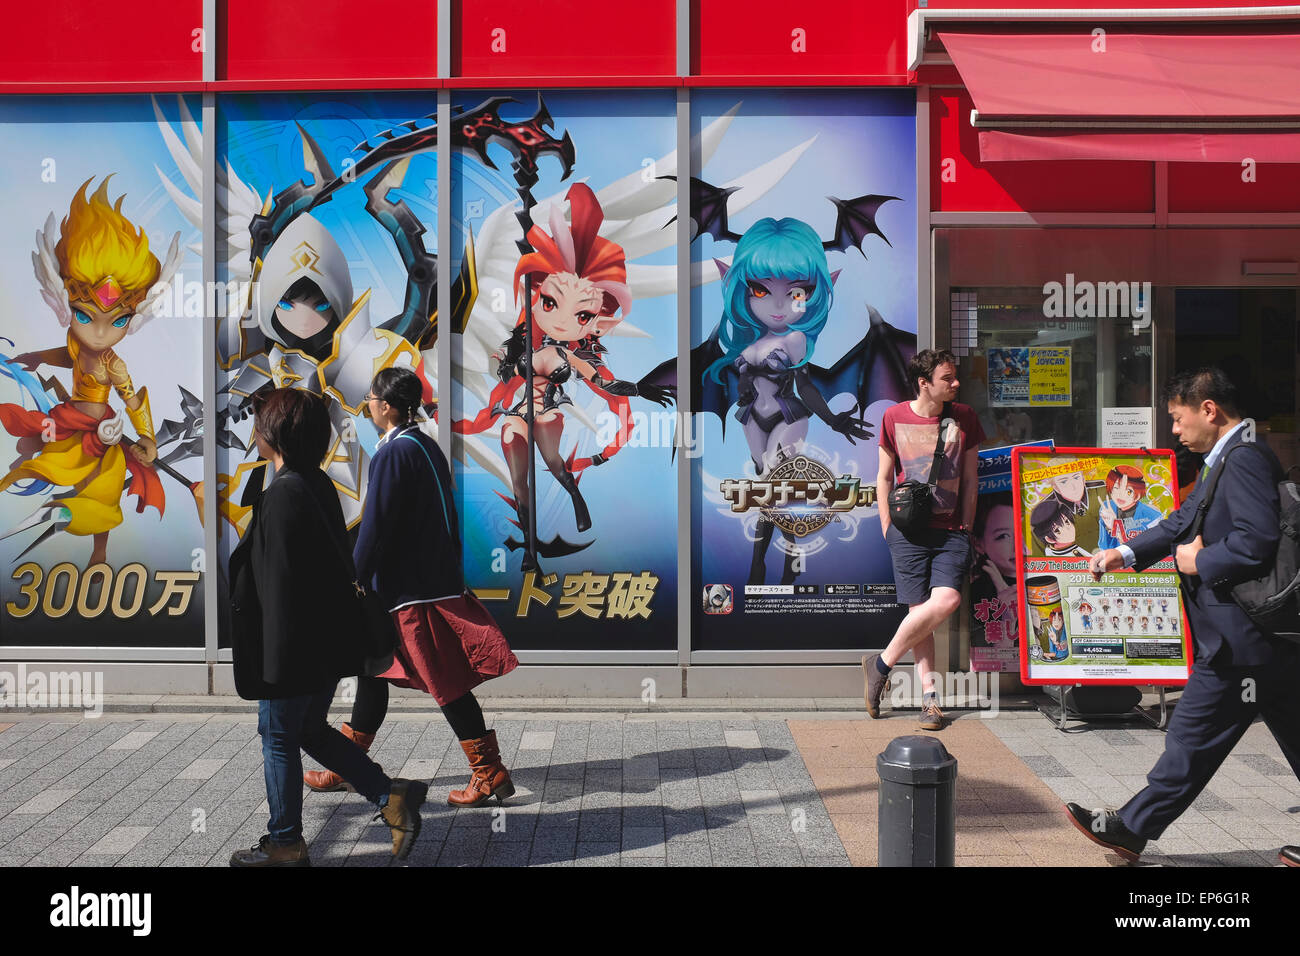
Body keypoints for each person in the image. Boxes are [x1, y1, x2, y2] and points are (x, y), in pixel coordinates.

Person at [1065, 368, 1300, 867]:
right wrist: (1123, 553)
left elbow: (1255, 540)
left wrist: (1199, 561)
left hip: (1239, 639)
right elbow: (1179, 521)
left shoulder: (1242, 460)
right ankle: (1132, 827)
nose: (1174, 430)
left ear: (1209, 410)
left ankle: (1131, 827)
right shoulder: (1223, 459)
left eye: (1178, 417)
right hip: (1259, 644)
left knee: (1192, 736)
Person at [227, 387, 425, 867]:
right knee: (310, 729)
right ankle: (388, 794)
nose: (254, 431)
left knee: (278, 735)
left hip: (291, 649)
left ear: (274, 433)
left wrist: (272, 665)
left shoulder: (284, 494)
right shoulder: (314, 483)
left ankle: (285, 843)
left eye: (260, 423)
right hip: (323, 643)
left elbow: (280, 588)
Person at [326, 366, 518, 807]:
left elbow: (376, 525)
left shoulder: (393, 453)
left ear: (387, 407)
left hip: (409, 591)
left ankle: (488, 772)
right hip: (421, 582)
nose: (368, 404)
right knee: (372, 666)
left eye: (372, 398)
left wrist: (354, 578)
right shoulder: (423, 444)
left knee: (444, 680)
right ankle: (347, 766)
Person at [864, 349, 984, 731]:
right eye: (947, 378)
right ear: (924, 383)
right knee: (920, 616)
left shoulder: (964, 418)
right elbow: (884, 477)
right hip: (908, 531)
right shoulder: (893, 416)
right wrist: (886, 526)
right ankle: (930, 700)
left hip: (951, 531)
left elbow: (970, 479)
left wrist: (966, 524)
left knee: (946, 600)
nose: (955, 384)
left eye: (954, 377)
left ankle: (880, 663)